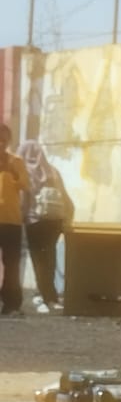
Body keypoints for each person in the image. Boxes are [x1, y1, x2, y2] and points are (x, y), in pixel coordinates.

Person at [20, 141, 72, 313]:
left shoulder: (24, 172)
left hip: (34, 221)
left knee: (38, 260)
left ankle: (42, 296)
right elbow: (66, 197)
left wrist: (19, 218)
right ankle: (51, 296)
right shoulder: (52, 171)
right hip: (54, 221)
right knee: (50, 257)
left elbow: (23, 199)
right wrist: (67, 219)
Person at [0, 124, 30, 317]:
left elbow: (26, 185)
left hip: (11, 220)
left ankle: (11, 303)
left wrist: (13, 174)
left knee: (11, 264)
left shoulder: (16, 161)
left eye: (3, 139)